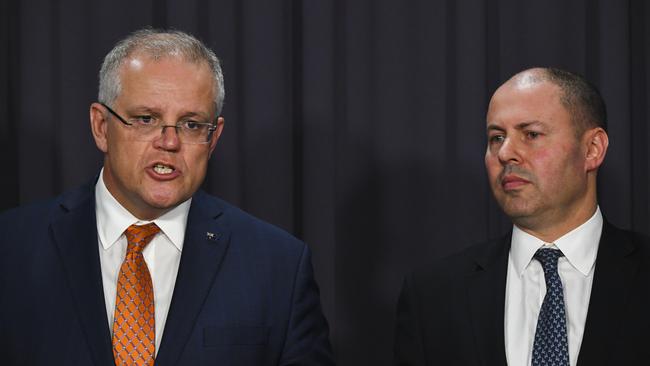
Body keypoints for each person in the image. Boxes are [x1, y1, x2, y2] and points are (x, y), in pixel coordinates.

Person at [0, 29, 334, 366]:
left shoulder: (278, 266)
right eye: (147, 119)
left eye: (190, 125)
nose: (170, 143)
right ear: (101, 126)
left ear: (213, 138)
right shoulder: (12, 248)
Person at [394, 67, 650, 366]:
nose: (505, 153)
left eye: (531, 134)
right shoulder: (433, 297)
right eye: (496, 137)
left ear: (592, 149)